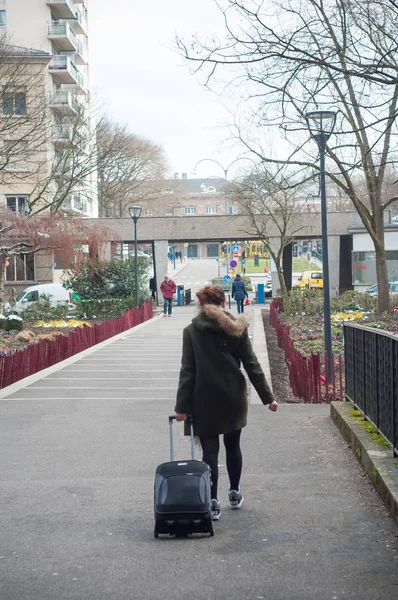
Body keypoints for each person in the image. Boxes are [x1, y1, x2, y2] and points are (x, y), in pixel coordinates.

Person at [175, 285, 278, 521]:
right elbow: (251, 364)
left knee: (210, 451)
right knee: (233, 446)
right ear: (224, 303)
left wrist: (181, 407)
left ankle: (212, 502)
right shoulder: (237, 329)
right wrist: (268, 397)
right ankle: (234, 492)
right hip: (233, 396)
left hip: (204, 398)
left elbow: (187, 371)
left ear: (201, 306)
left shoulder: (191, 331)